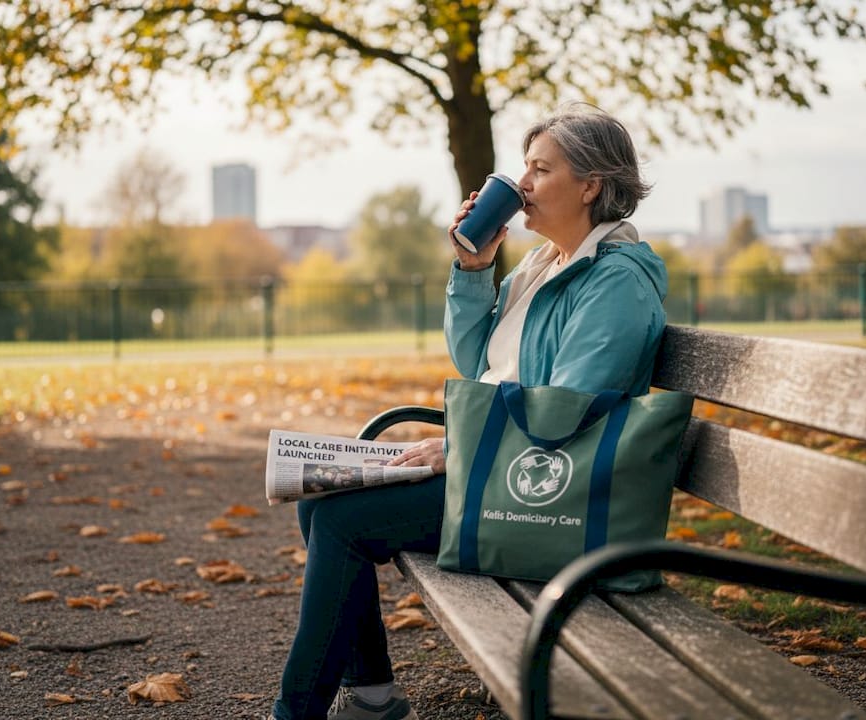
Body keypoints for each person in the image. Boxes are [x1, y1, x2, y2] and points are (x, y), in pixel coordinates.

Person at [268, 103, 669, 720]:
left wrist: (458, 451)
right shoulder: (542, 265)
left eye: (541, 169)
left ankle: (301, 712)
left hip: (548, 491)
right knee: (323, 503)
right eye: (525, 167)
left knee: (344, 522)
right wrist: (474, 268)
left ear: (590, 185)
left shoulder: (614, 280)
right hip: (503, 465)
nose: (523, 184)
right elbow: (475, 358)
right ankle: (370, 693)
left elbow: (567, 412)